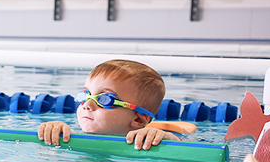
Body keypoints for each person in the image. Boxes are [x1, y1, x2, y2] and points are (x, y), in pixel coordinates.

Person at [36, 59, 178, 150]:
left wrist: (166, 139)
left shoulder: (147, 144)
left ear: (138, 120)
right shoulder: (70, 138)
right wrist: (55, 131)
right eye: (86, 95)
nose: (87, 105)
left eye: (105, 99)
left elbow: (181, 161)